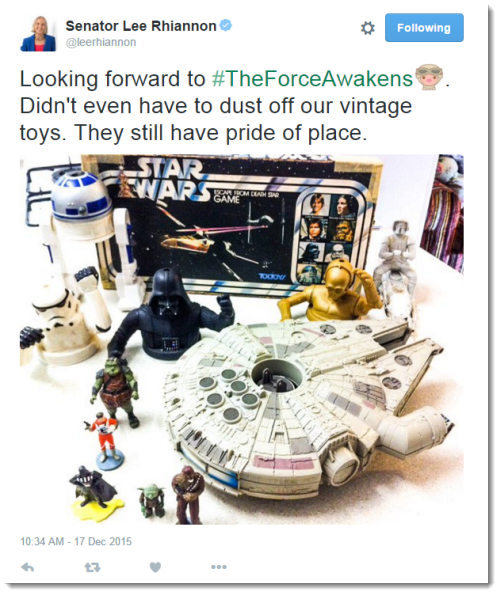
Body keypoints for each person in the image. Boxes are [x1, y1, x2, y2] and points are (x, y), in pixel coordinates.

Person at [280, 259, 382, 322]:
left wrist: (369, 287)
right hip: (309, 325)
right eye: (329, 288)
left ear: (348, 286)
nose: (333, 293)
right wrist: (286, 317)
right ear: (324, 279)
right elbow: (284, 302)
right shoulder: (315, 291)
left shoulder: (354, 302)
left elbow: (375, 305)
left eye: (338, 290)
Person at [373, 220, 417, 295]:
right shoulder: (388, 238)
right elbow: (381, 254)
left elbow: (412, 256)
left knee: (413, 276)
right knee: (377, 272)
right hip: (389, 263)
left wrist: (405, 254)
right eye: (398, 226)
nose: (400, 228)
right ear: (394, 227)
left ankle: (410, 296)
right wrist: (392, 254)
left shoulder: (409, 239)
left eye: (403, 226)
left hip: (402, 264)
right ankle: (374, 293)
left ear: (406, 228)